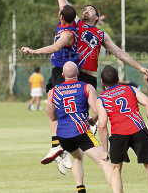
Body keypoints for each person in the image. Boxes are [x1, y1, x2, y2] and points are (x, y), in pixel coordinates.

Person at [40, 0, 148, 164]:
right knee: (56, 105)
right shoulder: (75, 23)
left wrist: (140, 67)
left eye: (90, 9)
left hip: (89, 77)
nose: (86, 10)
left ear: (97, 17)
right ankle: (58, 146)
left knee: (90, 116)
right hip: (73, 74)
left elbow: (119, 53)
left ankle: (81, 149)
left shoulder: (101, 34)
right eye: (85, 9)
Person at [21, 0, 78, 174]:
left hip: (65, 72)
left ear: (61, 16)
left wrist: (33, 51)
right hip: (56, 72)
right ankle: (57, 147)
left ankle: (65, 149)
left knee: (61, 112)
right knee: (50, 109)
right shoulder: (64, 22)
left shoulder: (68, 32)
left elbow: (55, 46)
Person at [47, 61, 112, 193]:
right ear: (78, 73)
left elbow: (52, 117)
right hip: (81, 132)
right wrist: (92, 121)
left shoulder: (53, 92)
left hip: (63, 136)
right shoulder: (86, 87)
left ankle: (80, 189)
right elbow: (96, 112)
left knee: (77, 157)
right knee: (105, 163)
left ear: (62, 74)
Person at [96, 65, 148, 193]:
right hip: (139, 130)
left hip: (119, 134)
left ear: (102, 82)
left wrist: (104, 150)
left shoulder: (102, 99)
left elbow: (102, 125)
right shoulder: (130, 89)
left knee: (116, 169)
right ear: (118, 78)